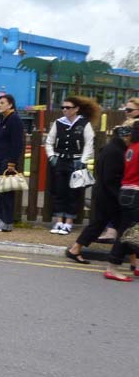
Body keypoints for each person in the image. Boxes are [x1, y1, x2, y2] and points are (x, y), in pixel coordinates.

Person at [67, 119, 135, 265]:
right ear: (127, 135)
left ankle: (75, 249)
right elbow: (111, 178)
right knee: (116, 227)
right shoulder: (115, 151)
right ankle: (75, 249)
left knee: (119, 227)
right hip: (109, 195)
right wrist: (120, 197)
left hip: (107, 194)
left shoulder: (115, 148)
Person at [45, 96, 100, 235]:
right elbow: (49, 141)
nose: (64, 110)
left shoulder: (84, 123)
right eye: (63, 107)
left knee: (73, 193)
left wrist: (83, 160)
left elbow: (89, 143)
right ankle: (58, 221)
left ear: (76, 109)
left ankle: (68, 223)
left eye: (68, 107)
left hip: (76, 162)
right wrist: (51, 156)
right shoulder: (58, 123)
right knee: (59, 191)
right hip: (60, 161)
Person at [104, 120, 139, 281]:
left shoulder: (132, 148)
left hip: (126, 191)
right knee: (126, 234)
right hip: (135, 194)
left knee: (130, 232)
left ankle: (136, 265)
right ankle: (112, 267)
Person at [0, 94, 25, 233]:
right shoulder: (4, 119)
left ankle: (7, 222)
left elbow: (17, 143)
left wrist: (12, 163)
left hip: (7, 161)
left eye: (2, 103)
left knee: (7, 192)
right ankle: (1, 220)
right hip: (0, 159)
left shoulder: (14, 120)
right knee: (1, 191)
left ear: (10, 105)